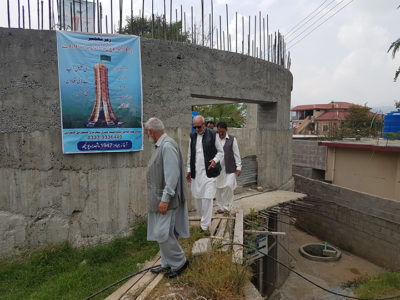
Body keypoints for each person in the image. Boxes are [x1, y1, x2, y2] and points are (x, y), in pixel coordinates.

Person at [144, 117, 189, 279]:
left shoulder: (167, 146)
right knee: (162, 233)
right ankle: (167, 263)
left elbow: (172, 176)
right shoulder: (160, 145)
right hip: (158, 199)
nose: (145, 135)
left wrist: (165, 198)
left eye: (146, 132)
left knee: (162, 233)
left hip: (165, 200)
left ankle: (180, 262)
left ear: (151, 131)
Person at [186, 115, 223, 233]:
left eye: (198, 126)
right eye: (194, 127)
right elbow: (190, 154)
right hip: (197, 174)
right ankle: (204, 219)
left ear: (204, 124)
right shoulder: (192, 136)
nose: (196, 129)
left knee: (207, 198)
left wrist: (215, 161)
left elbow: (220, 152)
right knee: (198, 199)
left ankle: (205, 226)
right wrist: (188, 169)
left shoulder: (213, 134)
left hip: (209, 173)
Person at [215, 122, 242, 213]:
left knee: (228, 187)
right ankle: (221, 207)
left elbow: (236, 154)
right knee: (218, 188)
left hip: (229, 168)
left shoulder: (232, 139)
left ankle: (227, 207)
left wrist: (238, 167)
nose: (221, 134)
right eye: (219, 132)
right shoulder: (215, 139)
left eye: (222, 131)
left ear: (226, 130)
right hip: (218, 169)